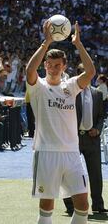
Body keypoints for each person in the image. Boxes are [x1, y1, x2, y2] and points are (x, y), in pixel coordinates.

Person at [26, 21, 95, 224]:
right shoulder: (38, 87)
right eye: (49, 64)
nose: (53, 68)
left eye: (58, 65)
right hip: (46, 152)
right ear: (45, 65)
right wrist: (46, 43)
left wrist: (78, 44)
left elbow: (90, 73)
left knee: (83, 205)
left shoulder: (71, 86)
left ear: (64, 66)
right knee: (47, 207)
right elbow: (30, 70)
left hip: (72, 153)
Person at [63, 64, 107, 215]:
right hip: (72, 139)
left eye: (90, 74)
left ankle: (98, 204)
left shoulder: (97, 94)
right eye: (84, 73)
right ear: (78, 75)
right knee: (69, 173)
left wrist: (97, 129)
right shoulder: (70, 93)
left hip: (92, 139)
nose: (88, 76)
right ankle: (70, 205)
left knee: (96, 173)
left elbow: (101, 116)